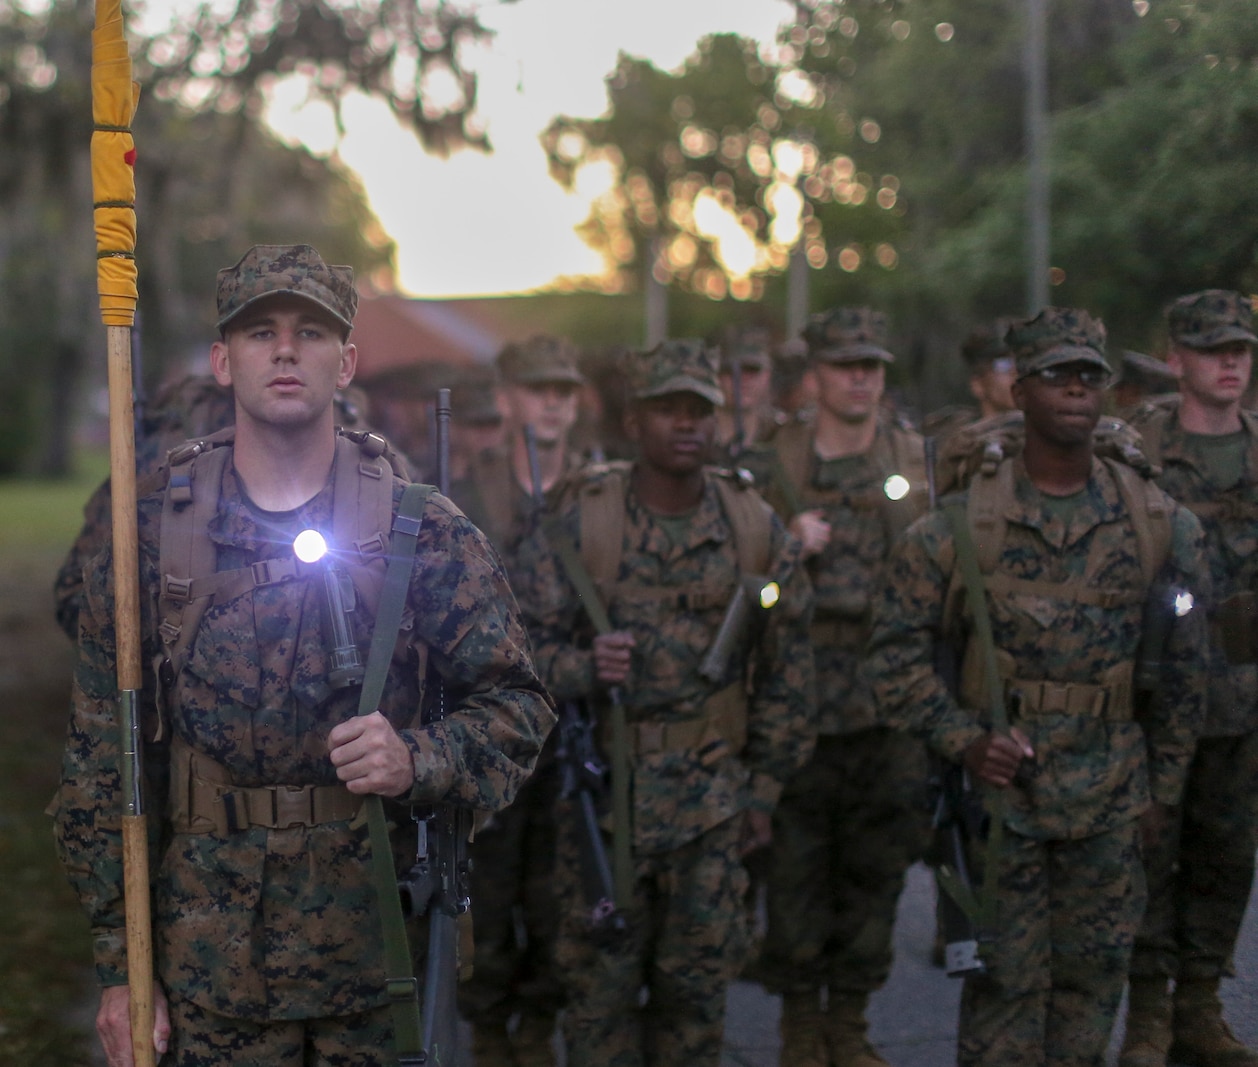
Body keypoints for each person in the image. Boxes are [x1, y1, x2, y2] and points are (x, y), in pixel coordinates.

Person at [52, 243, 554, 1067]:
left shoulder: (419, 528)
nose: (286, 350)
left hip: (376, 955)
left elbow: (520, 706)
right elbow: (103, 760)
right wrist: (120, 966)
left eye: (312, 331)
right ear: (222, 359)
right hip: (209, 967)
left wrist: (417, 756)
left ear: (347, 361)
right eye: (260, 332)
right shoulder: (149, 535)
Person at [866, 307, 1209, 1066]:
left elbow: (1187, 669)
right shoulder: (958, 527)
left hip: (1114, 801)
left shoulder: (1160, 523)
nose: (1077, 389)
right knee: (1001, 1010)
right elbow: (890, 657)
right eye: (1057, 374)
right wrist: (963, 739)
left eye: (1090, 375)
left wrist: (1164, 789)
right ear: (1018, 391)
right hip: (1000, 809)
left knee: (1090, 1000)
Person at [513, 338, 815, 1066]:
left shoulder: (751, 525)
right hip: (602, 806)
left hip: (714, 807)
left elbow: (789, 673)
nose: (687, 424)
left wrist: (762, 791)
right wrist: (583, 666)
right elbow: (511, 657)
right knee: (597, 1010)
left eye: (700, 410)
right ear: (632, 420)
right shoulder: (582, 522)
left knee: (696, 1009)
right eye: (667, 409)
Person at [754, 306, 930, 1067]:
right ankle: (800, 1023)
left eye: (874, 365)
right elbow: (733, 578)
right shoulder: (772, 464)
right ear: (816, 373)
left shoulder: (914, 459)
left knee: (875, 868)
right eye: (847, 364)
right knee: (794, 870)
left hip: (887, 700)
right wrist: (782, 550)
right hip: (797, 700)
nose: (862, 377)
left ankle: (849, 1022)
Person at [1121, 289, 1258, 1067]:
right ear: (1177, 360)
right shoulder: (1137, 446)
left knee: (1227, 854)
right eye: (1213, 349)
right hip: (1156, 692)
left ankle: (1200, 1006)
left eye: (1240, 347)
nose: (1232, 361)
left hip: (1242, 697)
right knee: (1151, 852)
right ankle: (1147, 1014)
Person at [449, 333, 589, 1066]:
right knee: (491, 890)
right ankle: (491, 1032)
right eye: (538, 389)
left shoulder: (599, 491)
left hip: (575, 730)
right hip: (494, 726)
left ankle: (539, 1025)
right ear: (507, 399)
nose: (553, 402)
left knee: (561, 890)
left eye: (563, 389)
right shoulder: (470, 492)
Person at [924, 319, 1018, 442]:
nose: (1016, 372)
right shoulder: (954, 442)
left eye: (1022, 362)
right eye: (1004, 365)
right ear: (977, 385)